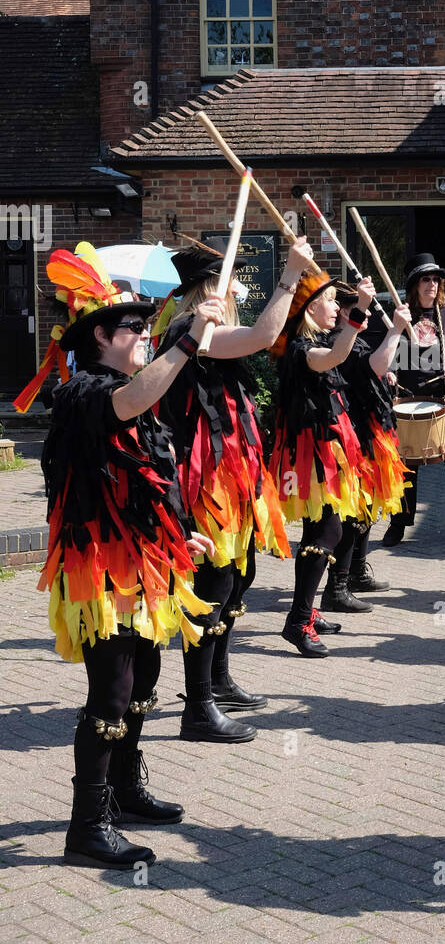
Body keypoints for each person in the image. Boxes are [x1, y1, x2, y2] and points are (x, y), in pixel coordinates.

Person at [18, 241, 226, 870]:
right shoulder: (84, 392)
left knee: (143, 684)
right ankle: (88, 826)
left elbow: (147, 481)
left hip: (145, 562)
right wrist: (187, 341)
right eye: (135, 328)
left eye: (145, 327)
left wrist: (180, 534)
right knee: (109, 693)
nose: (143, 335)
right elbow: (130, 403)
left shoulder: (126, 392)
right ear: (102, 335)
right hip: (101, 568)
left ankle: (127, 792)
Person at [154, 235, 315, 743]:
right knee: (212, 586)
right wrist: (290, 275)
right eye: (229, 286)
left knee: (236, 577)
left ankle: (217, 681)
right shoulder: (190, 330)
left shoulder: (204, 330)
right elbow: (264, 336)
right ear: (207, 291)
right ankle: (197, 706)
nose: (237, 295)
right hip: (203, 480)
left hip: (231, 475)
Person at [269, 268, 376, 656]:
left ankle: (306, 613)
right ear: (311, 307)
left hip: (322, 450)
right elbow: (336, 355)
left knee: (324, 529)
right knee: (326, 531)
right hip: (311, 453)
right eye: (331, 301)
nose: (336, 307)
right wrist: (359, 313)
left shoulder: (309, 341)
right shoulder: (301, 348)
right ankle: (297, 621)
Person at [320, 300, 413, 614]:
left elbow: (372, 371)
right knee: (351, 514)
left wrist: (383, 379)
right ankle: (337, 588)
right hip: (351, 438)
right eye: (360, 308)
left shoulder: (350, 339)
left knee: (366, 510)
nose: (370, 313)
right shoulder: (337, 341)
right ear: (348, 312)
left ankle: (357, 572)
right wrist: (396, 329)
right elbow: (371, 365)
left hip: (365, 432)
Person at [383, 253, 445, 549]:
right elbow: (386, 354)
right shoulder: (401, 317)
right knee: (406, 463)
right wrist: (388, 372)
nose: (433, 284)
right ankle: (399, 524)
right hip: (411, 398)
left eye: (436, 279)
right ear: (414, 284)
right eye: (426, 279)